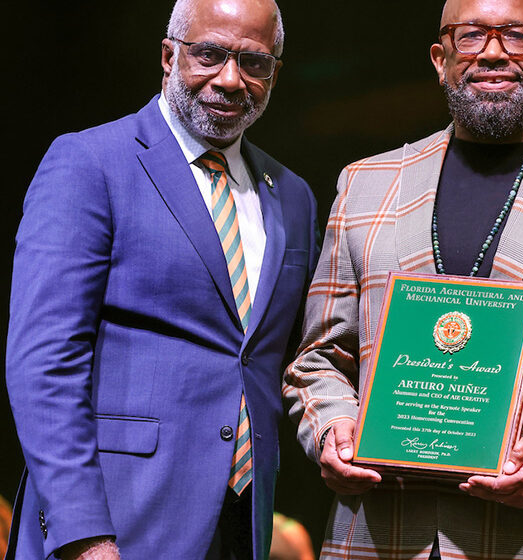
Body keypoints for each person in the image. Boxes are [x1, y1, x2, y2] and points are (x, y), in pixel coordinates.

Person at [283, 0, 523, 557]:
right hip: (380, 534)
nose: (493, 53)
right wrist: (331, 429)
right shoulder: (365, 184)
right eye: (471, 37)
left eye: (517, 36)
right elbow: (317, 358)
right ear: (440, 58)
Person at [5, 0, 319, 557]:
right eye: (210, 54)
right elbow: (44, 363)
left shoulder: (291, 195)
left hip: (241, 524)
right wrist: (84, 534)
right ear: (168, 57)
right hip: (117, 524)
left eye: (253, 63)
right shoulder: (89, 162)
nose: (230, 79)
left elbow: (280, 358)